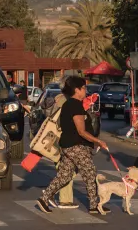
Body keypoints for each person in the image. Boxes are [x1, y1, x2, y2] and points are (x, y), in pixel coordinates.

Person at [37, 76, 108, 214]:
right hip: (76, 146)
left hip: (68, 146)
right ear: (77, 90)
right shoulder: (75, 105)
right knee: (89, 172)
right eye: (84, 88)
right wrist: (98, 141)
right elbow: (81, 131)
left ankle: (44, 198)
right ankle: (95, 205)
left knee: (65, 175)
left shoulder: (70, 104)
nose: (86, 91)